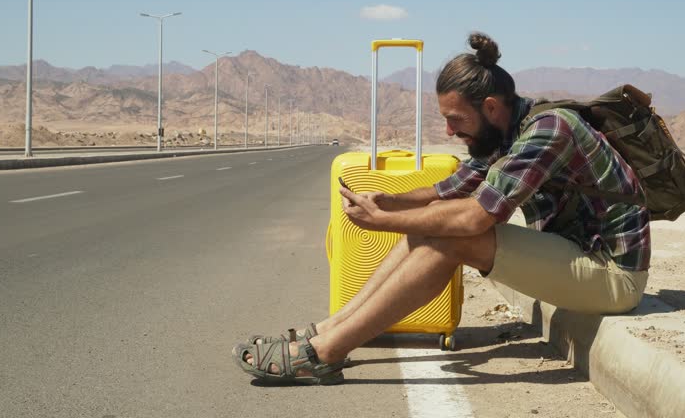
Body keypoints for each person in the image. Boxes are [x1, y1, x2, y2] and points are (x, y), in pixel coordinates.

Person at [232, 32, 651, 385]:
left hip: (612, 276)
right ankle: (327, 332)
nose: (449, 131)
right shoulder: (508, 131)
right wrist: (388, 200)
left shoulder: (548, 130)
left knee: (451, 240)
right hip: (575, 255)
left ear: (489, 107)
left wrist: (383, 221)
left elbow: (475, 216)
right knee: (425, 229)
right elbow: (448, 189)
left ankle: (322, 355)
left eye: (455, 120)